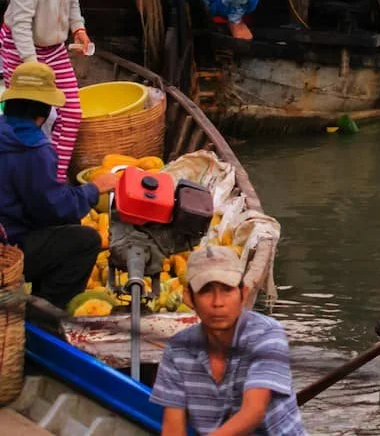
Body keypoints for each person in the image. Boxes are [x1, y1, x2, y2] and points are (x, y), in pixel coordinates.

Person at [151, 244, 305, 436]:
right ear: (189, 298)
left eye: (227, 290)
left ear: (243, 294)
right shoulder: (177, 350)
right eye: (206, 291)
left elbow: (253, 412)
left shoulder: (266, 335)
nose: (218, 302)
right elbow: (173, 429)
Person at [0, 61, 119, 307]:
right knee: (85, 241)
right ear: (43, 115)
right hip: (9, 246)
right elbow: (53, 209)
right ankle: (45, 312)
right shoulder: (34, 149)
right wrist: (94, 189)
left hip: (7, 227)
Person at [1, 0, 90, 179]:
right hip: (20, 47)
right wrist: (31, 66)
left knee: (71, 113)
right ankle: (14, 176)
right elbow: (21, 22)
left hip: (54, 47)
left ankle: (54, 178)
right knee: (24, 118)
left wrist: (78, 27)